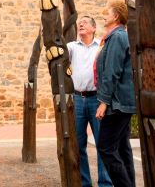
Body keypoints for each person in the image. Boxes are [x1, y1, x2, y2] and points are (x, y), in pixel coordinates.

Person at [67, 16, 112, 187]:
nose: (81, 24)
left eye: (85, 22)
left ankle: (105, 184)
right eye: (80, 22)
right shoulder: (71, 47)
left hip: (97, 99)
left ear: (94, 28)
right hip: (77, 99)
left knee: (103, 144)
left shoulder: (102, 46)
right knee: (79, 146)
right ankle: (85, 183)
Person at [95, 0, 136, 187]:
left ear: (116, 16)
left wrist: (103, 101)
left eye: (107, 12)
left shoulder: (118, 37)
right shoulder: (115, 37)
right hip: (120, 102)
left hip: (117, 104)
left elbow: (112, 71)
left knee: (106, 147)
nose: (104, 15)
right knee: (122, 148)